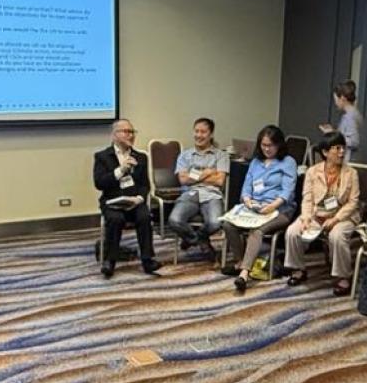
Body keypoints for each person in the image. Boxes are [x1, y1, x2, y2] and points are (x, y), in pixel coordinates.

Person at [222, 124, 297, 295]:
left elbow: (288, 191)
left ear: (279, 145)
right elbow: (247, 186)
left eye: (270, 145)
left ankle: (244, 273)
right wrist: (247, 200)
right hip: (255, 206)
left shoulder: (288, 162)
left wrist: (272, 206)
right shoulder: (256, 162)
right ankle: (241, 261)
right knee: (228, 225)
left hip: (280, 209)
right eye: (263, 145)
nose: (267, 149)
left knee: (257, 231)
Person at [283, 132, 361, 295]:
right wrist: (305, 218)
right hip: (317, 214)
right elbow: (307, 198)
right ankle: (298, 269)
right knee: (292, 232)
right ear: (325, 152)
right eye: (337, 148)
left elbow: (353, 202)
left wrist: (335, 219)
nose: (341, 152)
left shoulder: (351, 173)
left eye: (343, 148)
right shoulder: (312, 172)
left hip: (343, 216)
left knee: (337, 236)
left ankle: (343, 277)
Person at [93, 118, 160, 278]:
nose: (130, 135)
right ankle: (110, 261)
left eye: (132, 132)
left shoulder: (141, 157)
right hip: (112, 202)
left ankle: (147, 260)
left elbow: (145, 185)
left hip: (134, 201)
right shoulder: (102, 156)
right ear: (114, 135)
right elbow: (99, 183)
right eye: (126, 132)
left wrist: (140, 198)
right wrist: (120, 171)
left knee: (144, 217)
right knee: (115, 219)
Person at [166, 118, 229, 253]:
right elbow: (183, 180)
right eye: (196, 131)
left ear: (211, 134)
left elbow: (220, 181)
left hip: (212, 195)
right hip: (190, 193)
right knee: (174, 220)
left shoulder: (221, 155)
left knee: (215, 223)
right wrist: (207, 173)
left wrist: (193, 176)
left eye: (203, 132)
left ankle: (195, 238)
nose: (199, 135)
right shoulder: (185, 156)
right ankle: (201, 240)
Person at [317, 80, 361, 161]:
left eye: (336, 99)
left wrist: (333, 134)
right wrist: (333, 132)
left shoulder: (350, 117)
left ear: (342, 98)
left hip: (348, 161)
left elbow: (354, 142)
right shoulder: (352, 114)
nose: (335, 103)